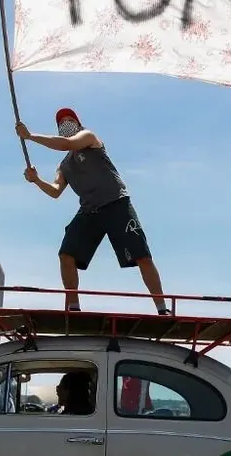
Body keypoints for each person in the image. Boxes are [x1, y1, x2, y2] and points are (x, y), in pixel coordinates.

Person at [16, 108, 169, 315]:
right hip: (90, 210)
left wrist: (30, 136)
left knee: (142, 256)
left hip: (116, 202)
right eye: (62, 123)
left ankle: (162, 308)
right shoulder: (64, 166)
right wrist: (36, 180)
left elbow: (67, 144)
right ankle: (73, 307)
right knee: (66, 254)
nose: (66, 124)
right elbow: (55, 191)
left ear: (78, 123)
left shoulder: (88, 137)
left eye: (70, 120)